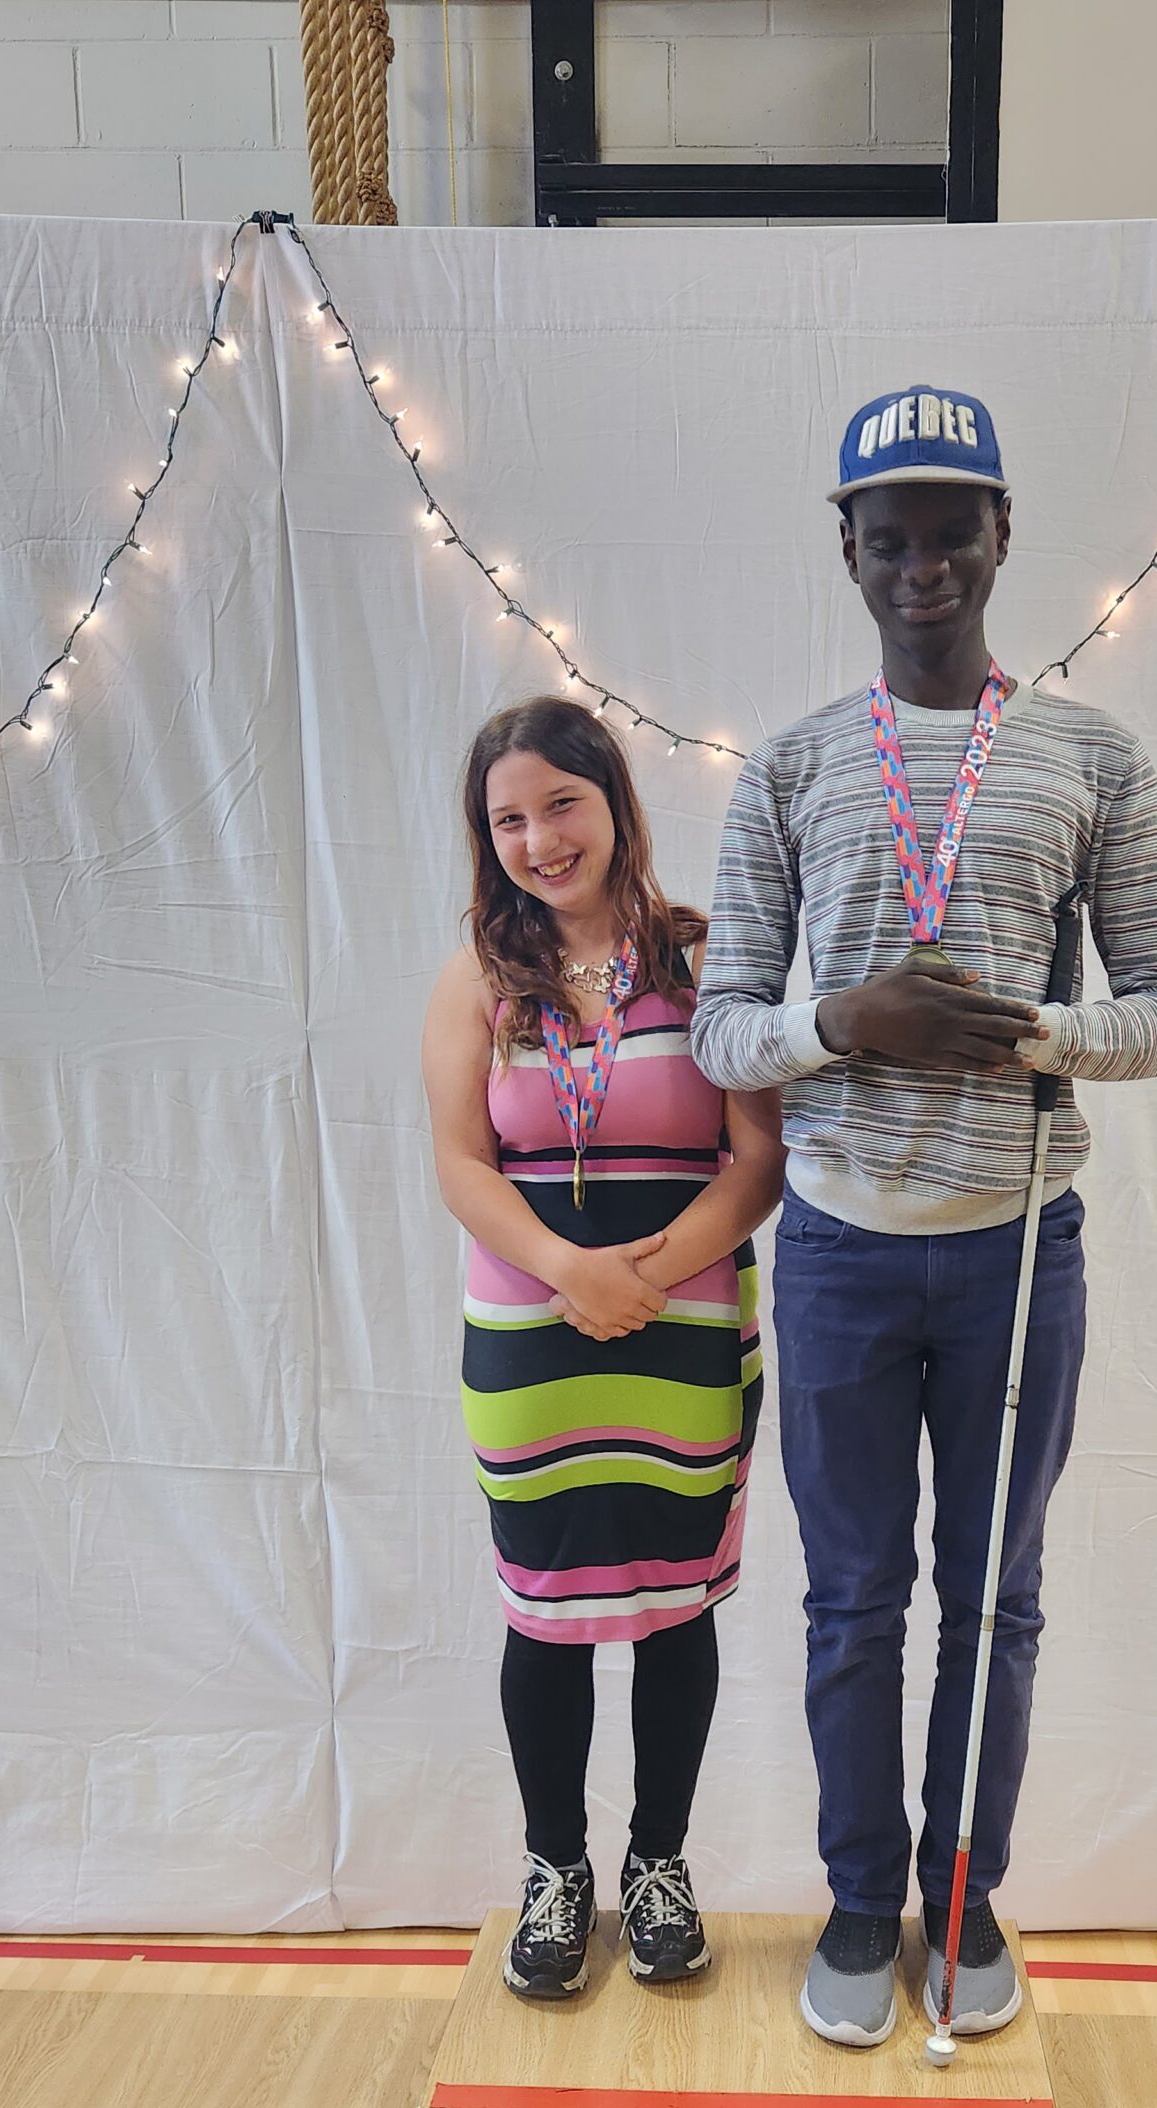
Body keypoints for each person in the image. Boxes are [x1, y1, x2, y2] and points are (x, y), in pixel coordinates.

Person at [691, 384, 1157, 2047]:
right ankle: (861, 1906)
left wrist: (1033, 1033)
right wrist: (850, 1023)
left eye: (952, 534)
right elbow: (721, 1030)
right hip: (839, 1251)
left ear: (1001, 537)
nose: (923, 566)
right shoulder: (791, 768)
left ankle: (964, 1896)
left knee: (994, 1598)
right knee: (854, 1603)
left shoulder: (1090, 757)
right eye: (890, 538)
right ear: (847, 551)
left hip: (1015, 1248)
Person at [424, 697, 783, 2001]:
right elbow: (463, 1164)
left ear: (615, 802)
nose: (540, 839)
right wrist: (571, 1270)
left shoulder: (708, 959)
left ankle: (658, 1866)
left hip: (684, 1335)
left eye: (561, 804)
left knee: (676, 1606)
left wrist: (646, 1276)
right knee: (549, 1614)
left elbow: (759, 1161)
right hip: (532, 1343)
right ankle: (556, 1873)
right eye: (508, 819)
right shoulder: (479, 979)